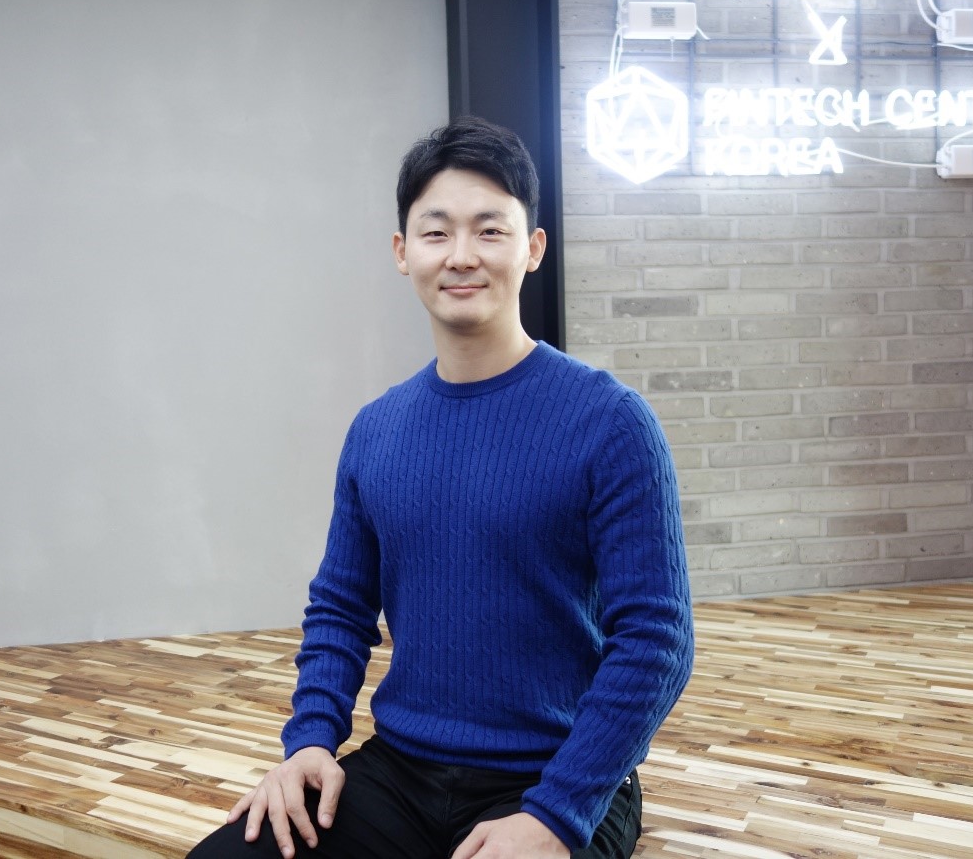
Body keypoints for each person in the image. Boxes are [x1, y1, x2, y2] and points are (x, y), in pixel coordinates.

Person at [187, 116, 693, 859]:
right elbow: (339, 608)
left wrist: (557, 810)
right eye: (436, 233)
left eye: (490, 231)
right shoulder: (377, 428)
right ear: (402, 253)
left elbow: (656, 639)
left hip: (558, 777)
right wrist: (309, 742)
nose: (462, 256)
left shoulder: (609, 421)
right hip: (399, 769)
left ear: (533, 249)